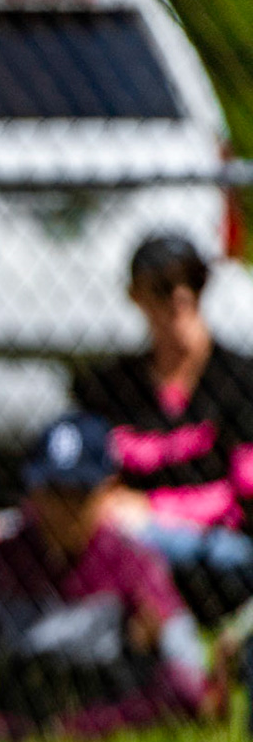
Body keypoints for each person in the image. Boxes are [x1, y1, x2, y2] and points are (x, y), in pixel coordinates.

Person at [0, 413, 218, 742]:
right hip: (24, 695)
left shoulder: (130, 558)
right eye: (54, 492)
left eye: (79, 495)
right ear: (32, 492)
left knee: (179, 692)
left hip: (104, 695)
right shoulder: (3, 557)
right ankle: (25, 735)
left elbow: (183, 656)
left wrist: (159, 641)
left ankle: (67, 732)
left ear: (107, 491)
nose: (64, 510)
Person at [72, 233, 253, 625]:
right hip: (126, 543)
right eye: (164, 285)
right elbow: (83, 483)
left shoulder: (240, 380)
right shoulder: (111, 389)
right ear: (136, 295)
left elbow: (244, 494)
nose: (181, 296)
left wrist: (151, 510)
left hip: (219, 551)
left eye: (194, 281)